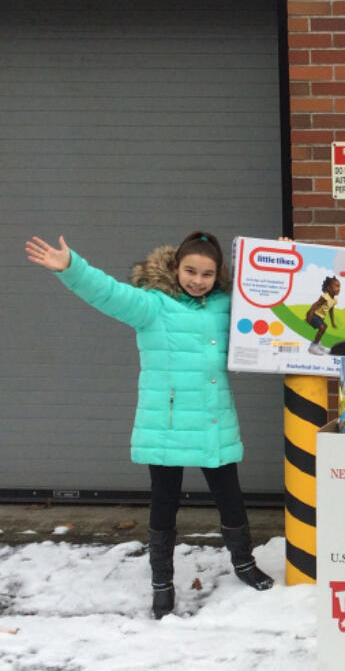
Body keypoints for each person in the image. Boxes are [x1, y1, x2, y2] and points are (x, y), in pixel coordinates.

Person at [25, 231, 274, 619]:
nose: (197, 279)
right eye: (190, 270)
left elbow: (271, 301)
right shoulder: (153, 307)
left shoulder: (228, 306)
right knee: (164, 503)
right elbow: (109, 293)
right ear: (175, 268)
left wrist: (283, 257)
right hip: (166, 422)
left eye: (207, 274)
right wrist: (73, 269)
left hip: (213, 420)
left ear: (218, 275)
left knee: (230, 497)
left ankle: (244, 563)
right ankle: (162, 583)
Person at [306, 275, 341, 355]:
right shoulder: (325, 297)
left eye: (339, 287)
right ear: (329, 288)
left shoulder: (334, 300)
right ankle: (313, 347)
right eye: (336, 286)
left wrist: (333, 322)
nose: (338, 288)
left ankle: (316, 343)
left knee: (324, 327)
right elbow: (315, 305)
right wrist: (309, 316)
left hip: (320, 317)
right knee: (323, 327)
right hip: (314, 315)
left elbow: (331, 311)